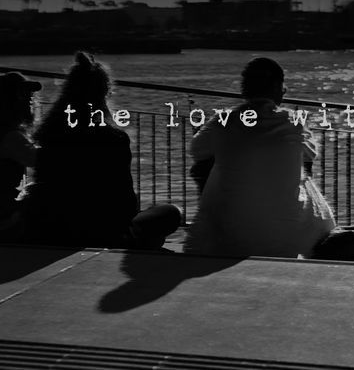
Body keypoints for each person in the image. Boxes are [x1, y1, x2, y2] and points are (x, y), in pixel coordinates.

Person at [24, 51, 181, 249]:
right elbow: (125, 201)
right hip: (102, 232)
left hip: (53, 227)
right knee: (170, 212)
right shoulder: (113, 138)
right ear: (104, 92)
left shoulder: (49, 133)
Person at [184, 57, 335, 258]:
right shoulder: (294, 122)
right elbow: (310, 156)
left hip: (230, 238)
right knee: (304, 178)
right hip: (285, 239)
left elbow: (197, 150)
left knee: (206, 165)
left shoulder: (224, 120)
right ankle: (318, 241)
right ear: (277, 88)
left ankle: (214, 221)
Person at [0, 72, 41, 240]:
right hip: (5, 218)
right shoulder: (10, 137)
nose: (31, 101)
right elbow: (41, 160)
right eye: (26, 97)